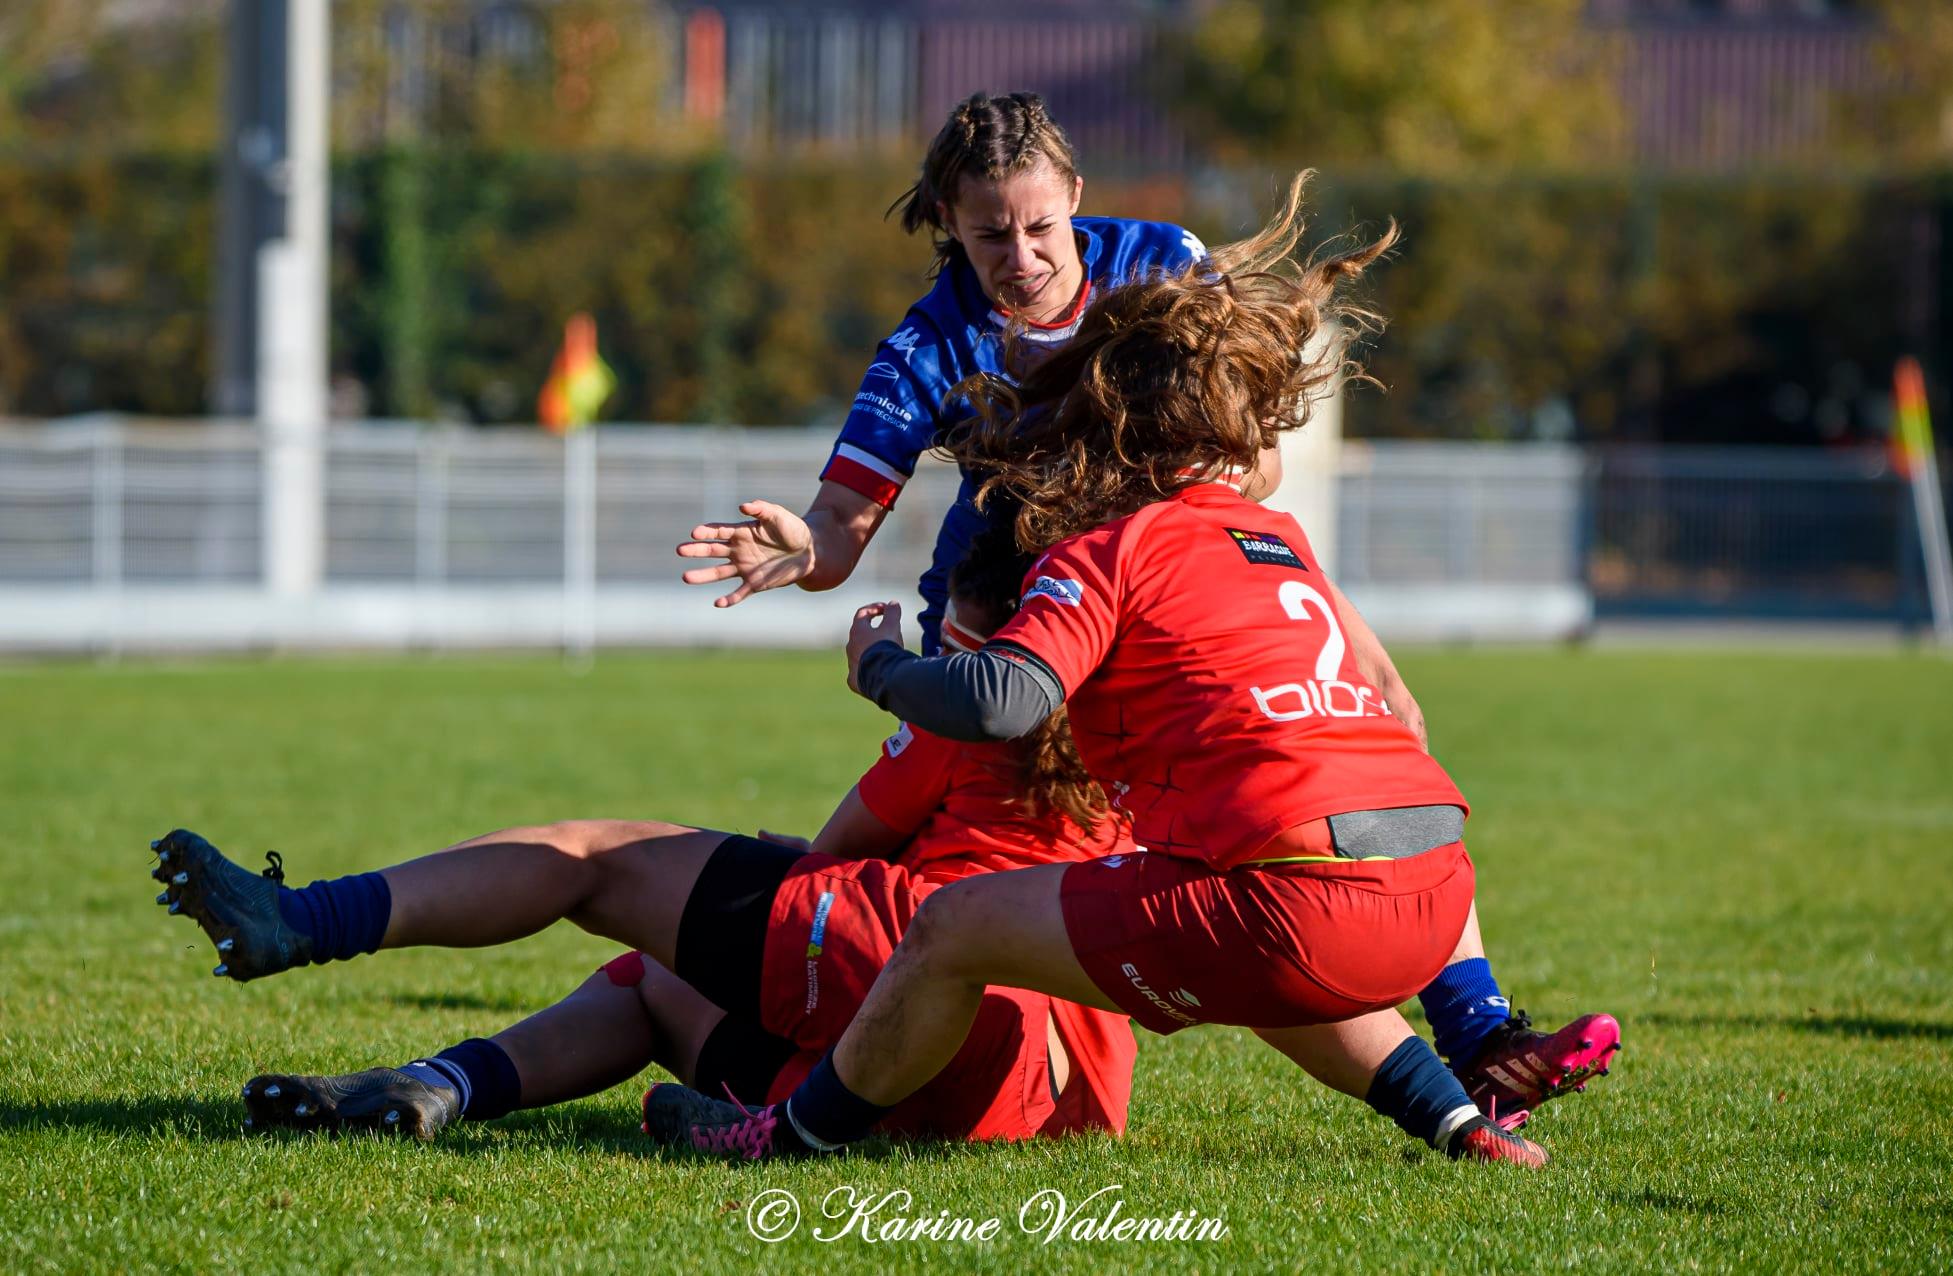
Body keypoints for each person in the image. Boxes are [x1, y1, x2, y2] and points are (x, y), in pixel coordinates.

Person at [640, 174, 1619, 1167]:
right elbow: (1388, 711)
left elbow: (1004, 701)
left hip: (1300, 909)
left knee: (952, 926)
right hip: (1434, 894)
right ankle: (1471, 1093)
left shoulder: (1113, 545)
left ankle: (786, 1135)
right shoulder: (1271, 534)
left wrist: (881, 664)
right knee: (1250, 934)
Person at [150, 534, 1139, 1146]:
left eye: (955, 646)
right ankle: (433, 1087)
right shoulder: (1130, 742)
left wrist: (885, 666)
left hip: (919, 962)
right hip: (1030, 1095)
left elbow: (838, 853)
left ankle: (300, 919)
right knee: (662, 982)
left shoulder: (968, 718)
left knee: (596, 857)